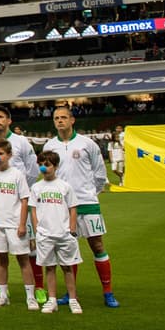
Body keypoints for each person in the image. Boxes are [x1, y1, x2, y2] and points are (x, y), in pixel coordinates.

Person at [42, 105, 118, 308]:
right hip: (62, 206)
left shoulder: (87, 144)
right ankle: (70, 293)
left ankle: (108, 292)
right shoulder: (49, 146)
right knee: (68, 249)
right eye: (57, 118)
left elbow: (100, 173)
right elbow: (48, 174)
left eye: (63, 117)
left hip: (87, 203)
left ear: (72, 120)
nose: (60, 121)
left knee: (97, 246)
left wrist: (91, 193)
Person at [0, 105, 45, 303]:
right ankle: (2, 290)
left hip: (20, 203)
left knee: (29, 249)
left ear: (9, 120)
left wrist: (21, 191)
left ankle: (37, 288)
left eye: (0, 117)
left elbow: (32, 170)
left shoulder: (21, 142)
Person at [0, 139, 37, 311]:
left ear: (9, 155)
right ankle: (3, 295)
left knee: (23, 259)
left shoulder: (17, 175)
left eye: (1, 154)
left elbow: (24, 200)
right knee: (1, 259)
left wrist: (22, 224)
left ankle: (30, 297)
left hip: (14, 224)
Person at [29, 151, 82, 314]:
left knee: (67, 267)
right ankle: (52, 300)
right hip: (45, 235)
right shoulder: (36, 187)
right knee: (49, 268)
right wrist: (37, 229)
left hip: (64, 233)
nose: (44, 168)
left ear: (56, 166)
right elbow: (33, 210)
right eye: (41, 165)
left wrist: (72, 228)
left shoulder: (64, 186)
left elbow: (73, 208)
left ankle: (73, 299)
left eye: (48, 165)